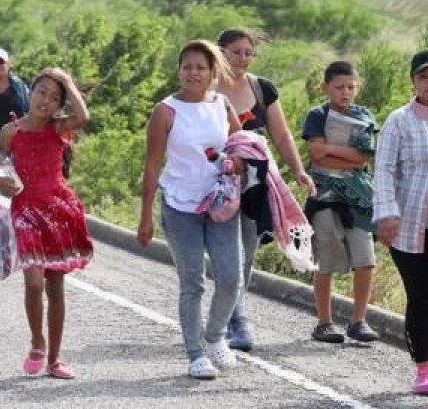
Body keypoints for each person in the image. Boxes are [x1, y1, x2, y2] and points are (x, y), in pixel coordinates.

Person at [137, 40, 243, 380]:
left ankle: (215, 337)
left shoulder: (222, 105)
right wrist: (144, 218)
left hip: (220, 205)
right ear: (179, 70)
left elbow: (241, 144)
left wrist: (240, 162)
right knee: (192, 282)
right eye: (187, 67)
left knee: (230, 277)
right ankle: (196, 354)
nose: (193, 73)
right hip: (180, 206)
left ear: (213, 72)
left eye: (200, 67)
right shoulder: (165, 111)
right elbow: (152, 166)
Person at [216, 29, 315, 351]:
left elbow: (282, 135)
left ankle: (236, 319)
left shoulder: (262, 89)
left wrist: (298, 170)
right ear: (220, 52)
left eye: (248, 52)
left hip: (255, 184)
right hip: (214, 181)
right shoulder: (204, 86)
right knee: (224, 252)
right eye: (236, 51)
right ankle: (224, 317)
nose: (242, 58)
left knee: (245, 251)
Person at [0, 68, 93, 379]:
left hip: (57, 211)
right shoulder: (10, 131)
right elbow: (2, 172)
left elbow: (84, 116)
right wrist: (1, 184)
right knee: (34, 282)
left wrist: (67, 81)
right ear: (30, 91)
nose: (45, 101)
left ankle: (54, 359)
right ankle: (37, 341)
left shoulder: (58, 128)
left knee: (56, 286)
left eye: (54, 98)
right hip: (25, 210)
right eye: (41, 92)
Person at [302, 61, 379, 344]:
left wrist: (331, 149)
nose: (345, 93)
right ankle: (324, 322)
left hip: (358, 200)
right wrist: (343, 154)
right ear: (326, 88)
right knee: (327, 260)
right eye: (339, 87)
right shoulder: (317, 115)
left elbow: (362, 158)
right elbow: (316, 155)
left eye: (350, 87)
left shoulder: (364, 116)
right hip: (324, 199)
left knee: (365, 260)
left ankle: (359, 320)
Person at [374, 49, 428, 395]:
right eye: (424, 76)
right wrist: (386, 215)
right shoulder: (399, 120)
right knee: (421, 296)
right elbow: (383, 170)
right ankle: (424, 368)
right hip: (410, 225)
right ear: (413, 80)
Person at [0, 47, 29, 142]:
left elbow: (28, 111)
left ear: (8, 65)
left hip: (17, 142)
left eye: (1, 62)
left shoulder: (19, 86)